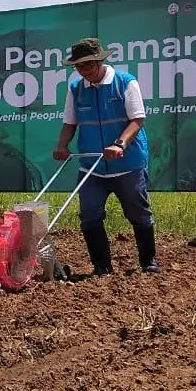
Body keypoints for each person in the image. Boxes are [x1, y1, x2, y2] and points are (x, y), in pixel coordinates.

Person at [52, 37, 160, 276]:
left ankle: (148, 261)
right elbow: (70, 123)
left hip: (128, 163)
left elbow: (137, 119)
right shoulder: (76, 89)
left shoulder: (125, 82)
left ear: (100, 61)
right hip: (92, 166)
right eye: (78, 67)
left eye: (87, 66)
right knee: (89, 214)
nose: (83, 71)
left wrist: (120, 144)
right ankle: (102, 267)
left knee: (138, 212)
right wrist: (62, 145)